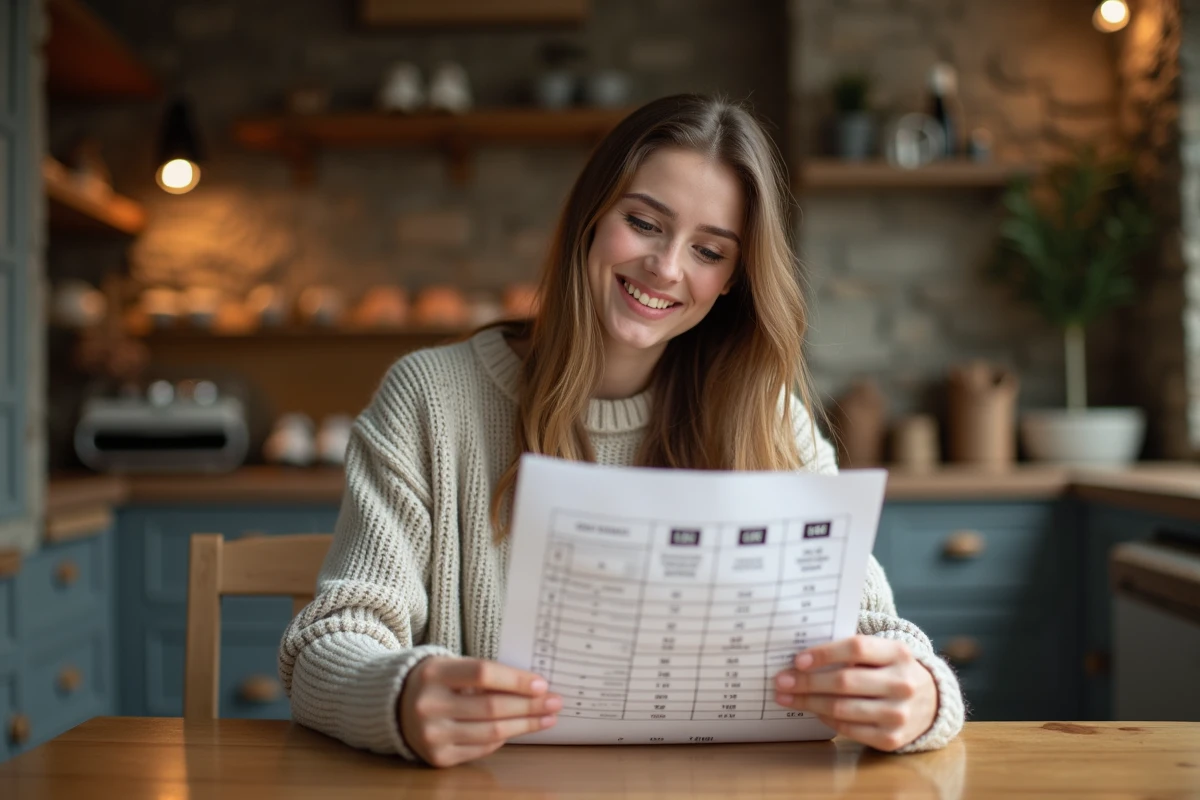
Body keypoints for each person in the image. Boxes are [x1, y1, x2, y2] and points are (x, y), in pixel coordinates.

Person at [278, 94, 964, 768]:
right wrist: (399, 698)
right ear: (591, 217)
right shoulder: (429, 398)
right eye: (644, 222)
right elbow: (330, 640)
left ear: (734, 280)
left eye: (709, 250)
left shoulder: (769, 415)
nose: (666, 268)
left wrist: (925, 696)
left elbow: (874, 631)